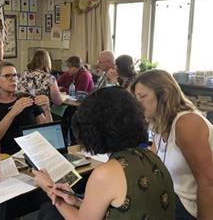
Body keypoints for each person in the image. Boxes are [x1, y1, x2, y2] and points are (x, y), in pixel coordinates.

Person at [33, 87, 175, 220]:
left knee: (48, 211)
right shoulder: (151, 157)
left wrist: (49, 189)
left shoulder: (105, 174)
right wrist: (76, 200)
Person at [131, 69, 213, 219]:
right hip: (170, 197)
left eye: (142, 96)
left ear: (165, 95)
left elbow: (208, 183)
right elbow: (152, 164)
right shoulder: (159, 122)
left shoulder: (186, 123)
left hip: (189, 207)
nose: (137, 103)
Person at [0, 61, 52, 155]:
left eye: (15, 75)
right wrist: (12, 112)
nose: (13, 79)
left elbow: (47, 131)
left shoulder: (27, 98)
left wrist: (46, 110)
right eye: (7, 76)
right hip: (4, 156)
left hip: (31, 152)